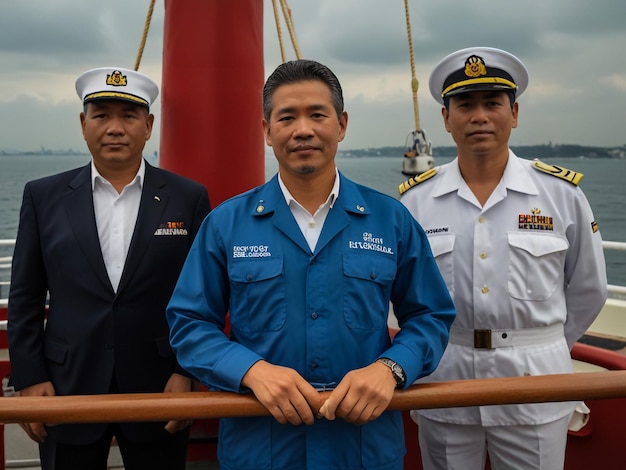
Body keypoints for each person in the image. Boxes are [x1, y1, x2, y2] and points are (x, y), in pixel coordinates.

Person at [166, 59, 456, 470]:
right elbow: (189, 324)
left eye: (317, 115)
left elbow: (431, 315)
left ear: (341, 125)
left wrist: (392, 368)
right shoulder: (226, 225)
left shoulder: (391, 220)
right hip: (261, 448)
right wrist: (250, 370)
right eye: (287, 117)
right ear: (267, 131)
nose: (303, 129)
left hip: (362, 449)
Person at [399, 47, 607, 469]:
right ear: (446, 118)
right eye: (465, 105)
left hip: (535, 383)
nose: (479, 116)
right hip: (446, 380)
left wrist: (541, 345)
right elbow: (399, 297)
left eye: (492, 103)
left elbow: (589, 289)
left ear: (513, 113)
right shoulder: (415, 203)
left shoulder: (560, 195)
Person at [8, 66, 211, 470]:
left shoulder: (187, 198)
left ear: (149, 125)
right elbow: (25, 297)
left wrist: (184, 371)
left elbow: (202, 294)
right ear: (83, 125)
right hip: (67, 386)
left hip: (161, 385)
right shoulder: (43, 196)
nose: (115, 128)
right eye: (101, 115)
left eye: (129, 116)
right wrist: (29, 379)